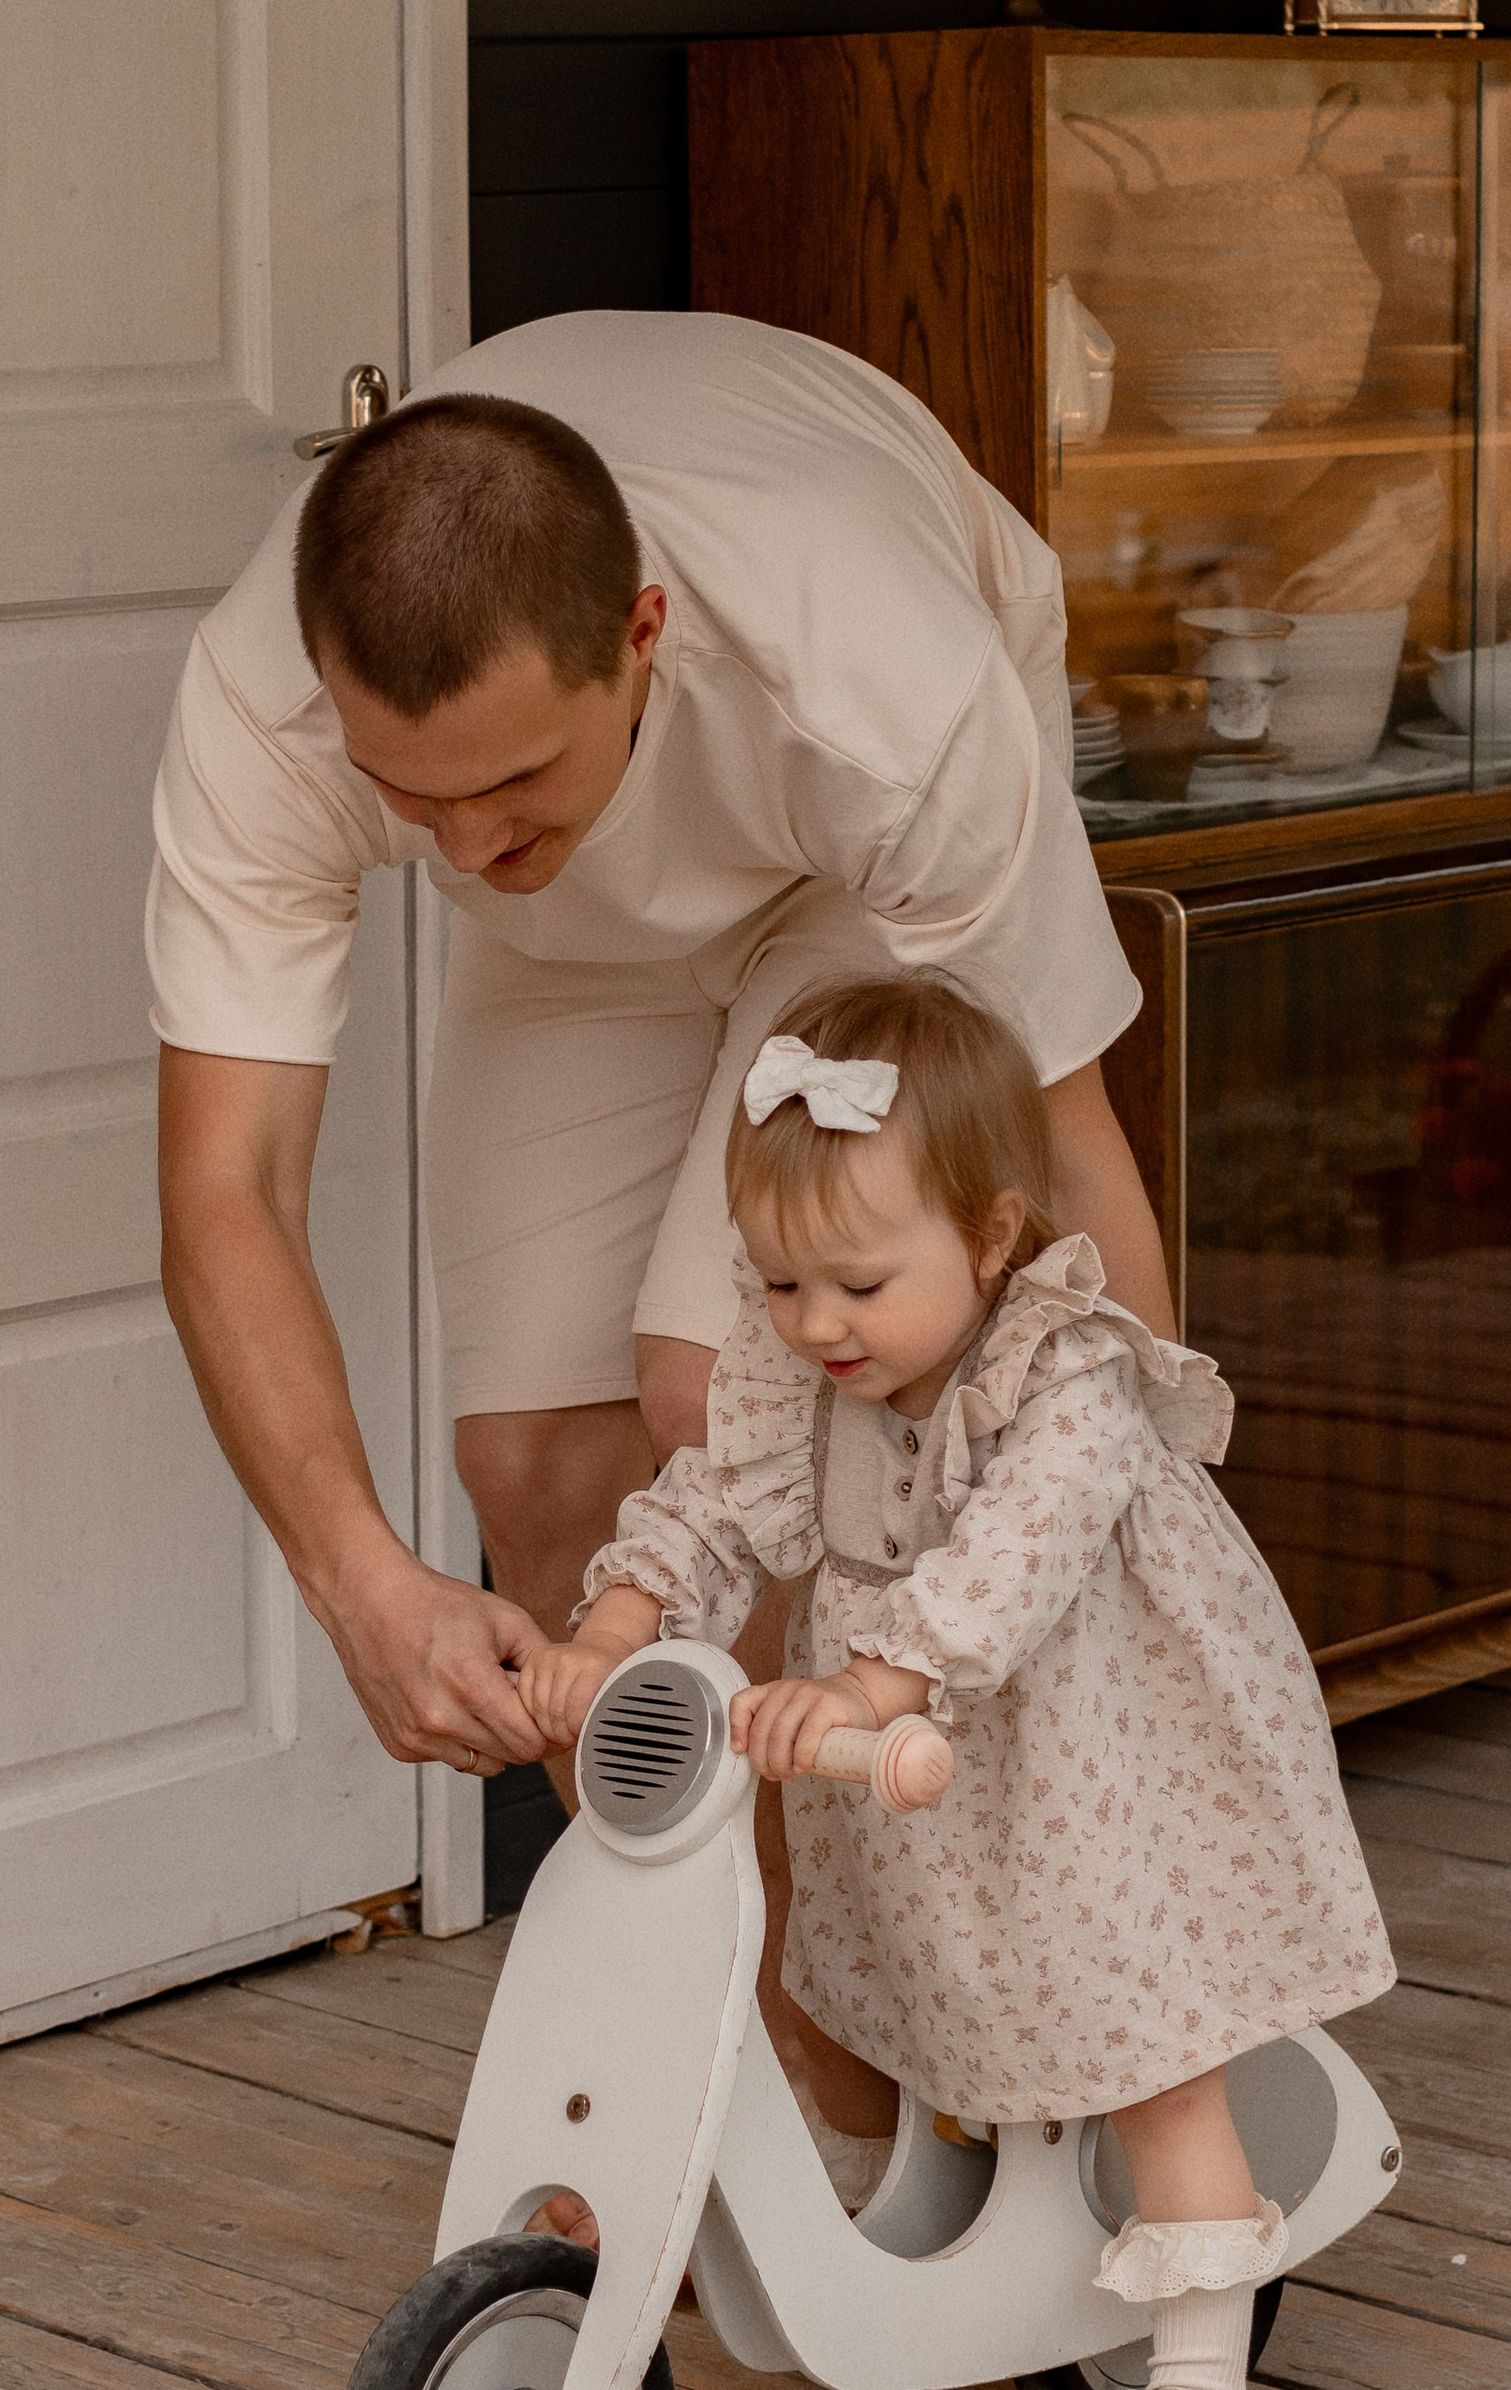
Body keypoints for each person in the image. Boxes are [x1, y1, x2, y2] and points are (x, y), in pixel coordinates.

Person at [151, 307, 1167, 2133]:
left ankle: (955, 2002)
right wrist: (359, 1581)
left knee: (719, 1387)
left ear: (640, 636)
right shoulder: (264, 704)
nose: (458, 849)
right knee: (541, 1469)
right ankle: (775, 2055)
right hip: (590, 944)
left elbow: (1072, 1143)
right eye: (411, 799)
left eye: (508, 783)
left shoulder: (886, 689)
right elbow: (227, 1188)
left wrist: (1140, 1545)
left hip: (851, 865)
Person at [519, 975, 1395, 2390]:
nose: (812, 1324)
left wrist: (874, 1672)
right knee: (897, 1985)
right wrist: (625, 1620)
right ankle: (934, 2214)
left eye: (853, 1281)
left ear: (992, 1240)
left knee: (1145, 2042)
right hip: (927, 1781)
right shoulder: (810, 1369)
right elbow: (719, 1497)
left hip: (1102, 1762)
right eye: (780, 1283)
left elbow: (1015, 1555)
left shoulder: (1068, 1375)